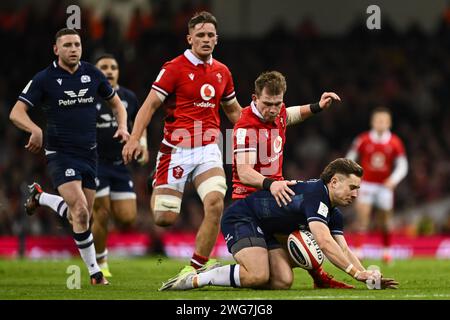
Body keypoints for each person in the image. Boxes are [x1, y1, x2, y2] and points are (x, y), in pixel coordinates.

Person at [122, 11, 242, 288]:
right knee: (164, 218)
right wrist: (133, 138)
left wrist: (261, 128)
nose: (206, 39)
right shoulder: (174, 68)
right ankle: (159, 182)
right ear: (189, 38)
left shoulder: (222, 72)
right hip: (175, 150)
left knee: (215, 204)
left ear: (217, 39)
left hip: (209, 148)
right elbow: (149, 105)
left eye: (211, 35)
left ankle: (196, 266)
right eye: (200, 35)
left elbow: (234, 111)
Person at [160, 158, 399, 291]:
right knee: (257, 275)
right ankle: (201, 278)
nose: (356, 194)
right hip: (243, 217)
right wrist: (356, 274)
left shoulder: (334, 211)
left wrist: (365, 275)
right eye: (353, 187)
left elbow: (343, 248)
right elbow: (325, 243)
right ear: (334, 182)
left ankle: (228, 272)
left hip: (268, 230)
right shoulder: (316, 195)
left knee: (282, 282)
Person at [9, 28, 129, 285]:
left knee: (80, 216)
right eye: (67, 45)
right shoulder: (44, 78)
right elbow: (16, 112)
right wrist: (34, 129)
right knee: (81, 211)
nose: (73, 49)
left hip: (90, 155)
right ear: (56, 49)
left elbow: (117, 104)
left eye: (77, 44)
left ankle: (39, 196)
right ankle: (96, 274)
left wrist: (122, 127)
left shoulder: (92, 74)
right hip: (61, 154)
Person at [232, 70, 350, 288]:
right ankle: (320, 276)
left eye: (278, 103)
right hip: (249, 203)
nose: (274, 109)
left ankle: (315, 276)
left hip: (275, 196)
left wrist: (317, 106)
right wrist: (272, 183)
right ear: (254, 98)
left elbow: (292, 113)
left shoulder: (279, 113)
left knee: (282, 281)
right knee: (307, 217)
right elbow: (244, 173)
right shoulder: (246, 126)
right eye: (268, 103)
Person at [92, 54, 148, 277]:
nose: (109, 71)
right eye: (103, 67)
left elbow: (139, 124)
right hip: (95, 163)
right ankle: (101, 262)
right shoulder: (88, 96)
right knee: (102, 213)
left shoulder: (128, 97)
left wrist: (142, 144)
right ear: (95, 72)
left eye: (113, 67)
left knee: (127, 218)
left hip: (120, 164)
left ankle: (80, 214)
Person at [346, 107, 408, 263]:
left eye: (384, 121)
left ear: (389, 123)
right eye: (378, 120)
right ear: (372, 122)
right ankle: (358, 251)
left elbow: (403, 165)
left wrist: (393, 180)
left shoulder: (395, 142)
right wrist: (354, 177)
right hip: (366, 184)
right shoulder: (363, 139)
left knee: (385, 221)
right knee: (362, 217)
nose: (381, 123)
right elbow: (350, 158)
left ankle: (386, 251)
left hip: (384, 187)